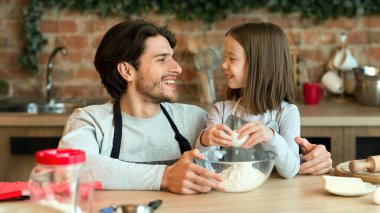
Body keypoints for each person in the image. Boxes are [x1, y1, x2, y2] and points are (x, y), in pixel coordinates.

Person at [59, 20, 331, 195]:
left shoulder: (196, 120)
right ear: (127, 70)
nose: (177, 68)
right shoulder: (90, 121)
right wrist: (165, 176)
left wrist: (312, 160)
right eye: (162, 59)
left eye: (173, 58)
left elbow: (247, 164)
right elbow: (70, 168)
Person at [197, 22, 311, 178]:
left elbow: (290, 170)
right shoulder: (221, 111)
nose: (224, 65)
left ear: (260, 65)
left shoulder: (287, 113)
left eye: (232, 58)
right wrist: (205, 140)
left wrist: (271, 136)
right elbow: (208, 168)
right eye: (225, 57)